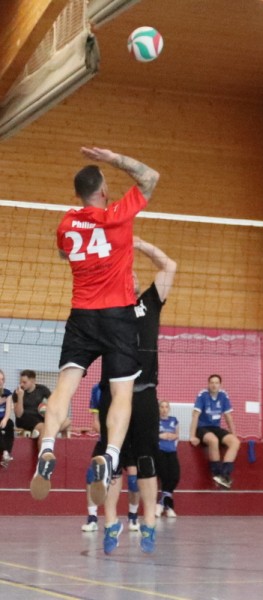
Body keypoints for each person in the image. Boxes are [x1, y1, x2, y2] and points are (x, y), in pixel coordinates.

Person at [30, 147, 160, 505]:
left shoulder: (67, 223)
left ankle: (47, 447)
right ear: (102, 190)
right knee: (121, 394)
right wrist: (112, 158)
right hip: (118, 317)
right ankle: (111, 457)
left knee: (65, 387)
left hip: (82, 317)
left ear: (78, 194)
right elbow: (150, 177)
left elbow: (64, 252)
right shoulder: (117, 215)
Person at [100, 237, 177, 554]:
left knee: (146, 460)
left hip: (144, 394)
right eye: (124, 273)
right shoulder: (106, 309)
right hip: (114, 392)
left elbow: (170, 266)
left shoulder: (150, 301)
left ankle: (149, 522)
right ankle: (109, 523)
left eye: (133, 273)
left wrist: (141, 244)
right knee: (112, 461)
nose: (130, 276)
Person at [189, 374, 240, 489]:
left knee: (235, 442)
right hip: (202, 428)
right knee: (213, 440)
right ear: (208, 384)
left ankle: (224, 475)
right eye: (211, 382)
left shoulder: (223, 395)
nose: (214, 385)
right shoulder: (202, 395)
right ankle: (216, 473)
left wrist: (233, 434)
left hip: (215, 428)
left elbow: (228, 416)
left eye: (216, 383)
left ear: (220, 385)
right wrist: (192, 436)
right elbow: (195, 415)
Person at [12, 370, 67, 447]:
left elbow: (53, 403)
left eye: (24, 382)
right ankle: (42, 453)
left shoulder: (42, 390)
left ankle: (65, 449)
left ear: (33, 381)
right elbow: (18, 414)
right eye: (20, 382)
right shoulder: (17, 392)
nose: (21, 384)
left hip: (41, 418)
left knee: (67, 423)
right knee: (44, 428)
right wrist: (20, 397)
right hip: (25, 419)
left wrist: (48, 411)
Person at [81, 382, 102, 532]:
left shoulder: (126, 385)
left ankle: (133, 517)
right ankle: (92, 518)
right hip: (105, 440)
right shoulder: (97, 389)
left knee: (134, 479)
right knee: (91, 475)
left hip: (126, 440)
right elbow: (95, 423)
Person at [155, 400, 180, 518]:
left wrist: (173, 436)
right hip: (160, 451)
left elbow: (177, 435)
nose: (164, 409)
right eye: (162, 407)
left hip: (172, 451)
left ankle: (161, 503)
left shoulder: (174, 420)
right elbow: (150, 435)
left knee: (175, 476)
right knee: (164, 476)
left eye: (166, 407)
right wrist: (161, 435)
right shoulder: (155, 420)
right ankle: (168, 506)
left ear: (169, 409)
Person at [0, 369, 14, 467]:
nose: (1, 382)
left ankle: (7, 453)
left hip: (2, 418)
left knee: (10, 423)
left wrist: (5, 419)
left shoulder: (7, 393)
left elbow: (8, 409)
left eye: (2, 379)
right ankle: (4, 450)